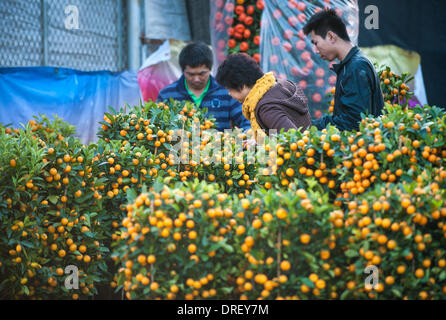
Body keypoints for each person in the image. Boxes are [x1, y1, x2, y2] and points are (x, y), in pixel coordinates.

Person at [303, 9, 384, 132]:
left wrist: (312, 127)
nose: (316, 50)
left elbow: (353, 121)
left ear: (331, 36)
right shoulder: (351, 64)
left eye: (316, 43)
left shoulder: (356, 67)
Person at [157, 41, 250, 131]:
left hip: (217, 146)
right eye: (191, 74)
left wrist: (246, 136)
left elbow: (247, 120)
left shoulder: (226, 92)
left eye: (202, 74)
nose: (196, 79)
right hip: (179, 146)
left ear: (210, 69)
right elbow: (157, 125)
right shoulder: (167, 95)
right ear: (182, 71)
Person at [216, 52, 311, 139]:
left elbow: (293, 140)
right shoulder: (281, 84)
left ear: (243, 86)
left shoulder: (266, 108)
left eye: (229, 89)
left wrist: (265, 146)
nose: (229, 93)